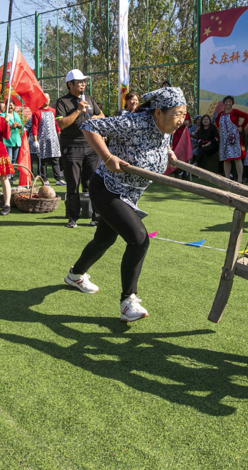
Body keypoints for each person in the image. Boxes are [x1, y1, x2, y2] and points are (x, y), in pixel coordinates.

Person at [63, 86, 187, 322]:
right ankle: (128, 301)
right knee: (139, 238)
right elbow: (89, 126)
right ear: (158, 112)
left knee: (104, 239)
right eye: (177, 114)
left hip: (130, 194)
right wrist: (108, 158)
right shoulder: (134, 122)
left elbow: (155, 144)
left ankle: (75, 274)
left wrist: (167, 151)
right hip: (107, 188)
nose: (181, 120)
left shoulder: (167, 127)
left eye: (184, 114)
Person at [55, 69, 105, 228]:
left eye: (84, 81)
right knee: (73, 183)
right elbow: (61, 124)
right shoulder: (62, 102)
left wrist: (96, 118)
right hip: (71, 147)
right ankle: (73, 217)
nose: (84, 84)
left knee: (94, 183)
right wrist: (77, 110)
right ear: (70, 84)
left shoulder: (90, 99)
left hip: (91, 146)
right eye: (80, 81)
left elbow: (102, 115)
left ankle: (96, 217)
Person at [29, 93, 63, 185]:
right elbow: (34, 127)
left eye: (48, 98)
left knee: (55, 159)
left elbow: (57, 125)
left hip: (53, 139)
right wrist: (35, 140)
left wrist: (60, 136)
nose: (47, 100)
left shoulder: (54, 111)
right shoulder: (37, 112)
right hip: (42, 140)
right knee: (43, 160)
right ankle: (44, 179)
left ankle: (58, 179)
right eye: (45, 98)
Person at [214, 95, 248, 181]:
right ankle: (227, 179)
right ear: (223, 103)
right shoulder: (221, 114)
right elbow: (216, 120)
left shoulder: (235, 112)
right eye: (226, 101)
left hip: (233, 138)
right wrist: (219, 128)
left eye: (230, 101)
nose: (228, 103)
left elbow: (247, 117)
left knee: (237, 158)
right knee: (226, 159)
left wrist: (241, 127)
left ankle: (240, 179)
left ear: (232, 103)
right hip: (223, 139)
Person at [1, 100, 24, 179]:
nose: (10, 106)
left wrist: (18, 125)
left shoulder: (16, 115)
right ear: (5, 106)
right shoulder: (3, 115)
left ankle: (11, 174)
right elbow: (2, 126)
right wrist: (10, 125)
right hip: (8, 140)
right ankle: (8, 176)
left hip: (16, 140)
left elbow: (21, 125)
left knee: (14, 159)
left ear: (14, 106)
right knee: (9, 159)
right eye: (8, 105)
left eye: (11, 105)